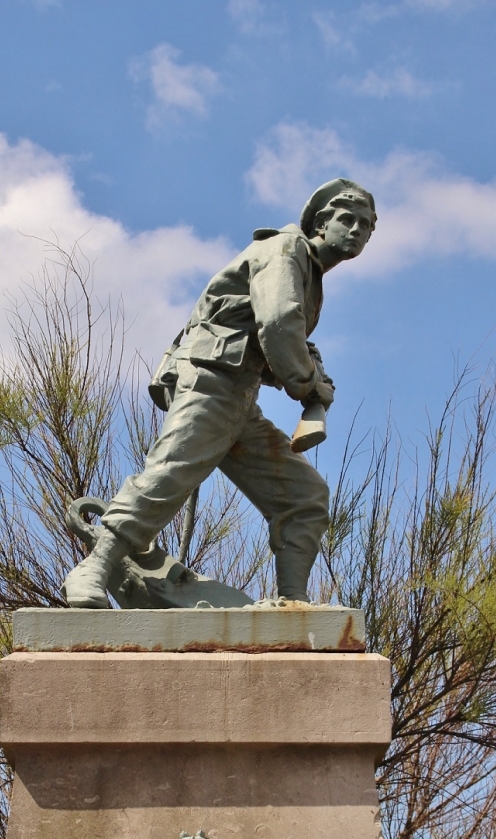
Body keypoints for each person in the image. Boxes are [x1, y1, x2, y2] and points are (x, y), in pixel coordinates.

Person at [62, 178, 376, 608]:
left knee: (305, 497)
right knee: (172, 470)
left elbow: (284, 334)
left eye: (366, 225)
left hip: (239, 392)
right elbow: (280, 323)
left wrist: (313, 371)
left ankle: (293, 604)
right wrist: (307, 386)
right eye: (347, 219)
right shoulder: (284, 251)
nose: (357, 230)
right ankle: (92, 570)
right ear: (321, 223)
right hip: (211, 377)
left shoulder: (307, 272)